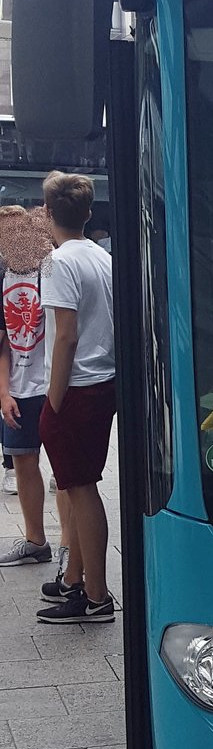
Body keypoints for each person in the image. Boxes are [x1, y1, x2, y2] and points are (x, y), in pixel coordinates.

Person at [34, 173, 116, 624]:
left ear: (48, 213)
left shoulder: (58, 263)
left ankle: (97, 596)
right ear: (87, 213)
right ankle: (75, 578)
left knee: (81, 491)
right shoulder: (101, 257)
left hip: (77, 387)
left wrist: (54, 399)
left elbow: (65, 337)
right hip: (103, 383)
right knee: (80, 484)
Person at [0, 206, 59, 567]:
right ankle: (36, 540)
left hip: (53, 384)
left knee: (65, 471)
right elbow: (2, 341)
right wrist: (3, 392)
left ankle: (70, 547)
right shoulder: (1, 275)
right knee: (23, 462)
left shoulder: (51, 269)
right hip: (18, 388)